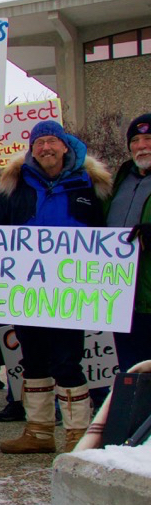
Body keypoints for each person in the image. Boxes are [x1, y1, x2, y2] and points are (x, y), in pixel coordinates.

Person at [0, 121, 111, 454]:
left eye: (51, 141)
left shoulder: (90, 185)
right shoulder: (17, 185)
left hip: (70, 293)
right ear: (32, 149)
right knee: (33, 360)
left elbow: (110, 231)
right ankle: (39, 431)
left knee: (66, 362)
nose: (45, 149)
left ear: (65, 145)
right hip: (27, 292)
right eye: (38, 143)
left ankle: (78, 434)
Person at [105, 113, 151, 371]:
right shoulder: (120, 180)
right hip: (123, 297)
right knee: (132, 372)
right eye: (135, 140)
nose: (141, 145)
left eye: (148, 138)